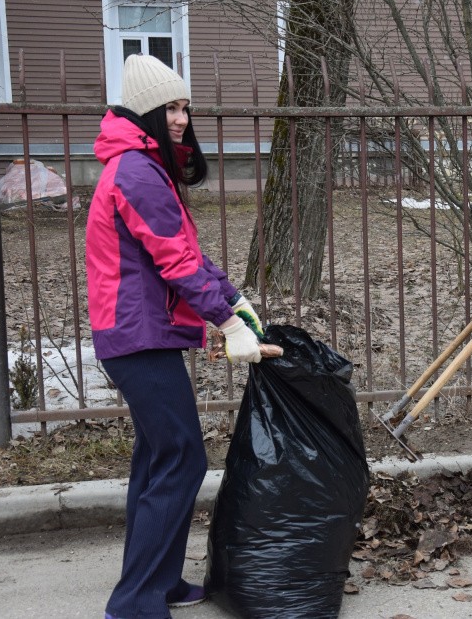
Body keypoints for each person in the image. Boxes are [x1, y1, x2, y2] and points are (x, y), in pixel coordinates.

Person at [85, 53, 267, 618]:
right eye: (171, 107)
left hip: (142, 332)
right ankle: (135, 600)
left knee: (158, 456)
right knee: (183, 456)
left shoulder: (142, 165)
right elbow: (175, 263)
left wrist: (231, 294)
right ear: (145, 112)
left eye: (185, 105)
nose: (183, 117)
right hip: (137, 336)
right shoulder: (136, 172)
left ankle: (157, 584)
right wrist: (228, 322)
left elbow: (185, 252)